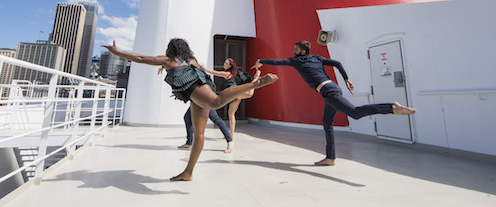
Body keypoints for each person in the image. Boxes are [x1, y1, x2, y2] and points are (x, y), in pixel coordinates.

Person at [102, 38, 278, 181]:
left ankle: (255, 83)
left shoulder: (169, 60)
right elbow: (194, 74)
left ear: (171, 49)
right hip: (198, 91)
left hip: (196, 90)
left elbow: (141, 59)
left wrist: (118, 52)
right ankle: (188, 172)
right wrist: (180, 91)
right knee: (199, 133)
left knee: (216, 102)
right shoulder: (191, 60)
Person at [253, 40, 416, 166]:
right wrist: (346, 79)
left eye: (296, 49)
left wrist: (261, 60)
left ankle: (391, 107)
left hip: (328, 92)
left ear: (302, 51)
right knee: (327, 122)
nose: (293, 51)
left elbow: (277, 62)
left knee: (355, 112)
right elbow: (337, 63)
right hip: (332, 88)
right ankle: (330, 158)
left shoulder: (297, 61)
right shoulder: (316, 58)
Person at [200, 59, 258, 142]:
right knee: (231, 114)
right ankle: (231, 134)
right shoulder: (233, 74)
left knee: (249, 94)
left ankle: (256, 80)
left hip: (233, 93)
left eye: (226, 63)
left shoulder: (226, 73)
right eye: (224, 63)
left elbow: (215, 73)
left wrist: (204, 69)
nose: (224, 64)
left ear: (230, 66)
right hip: (233, 96)